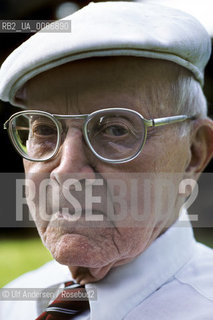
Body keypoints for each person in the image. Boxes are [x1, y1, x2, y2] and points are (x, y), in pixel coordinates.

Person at [0, 1, 213, 319]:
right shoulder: (13, 302)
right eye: (45, 129)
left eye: (116, 129)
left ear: (194, 154)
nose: (66, 170)